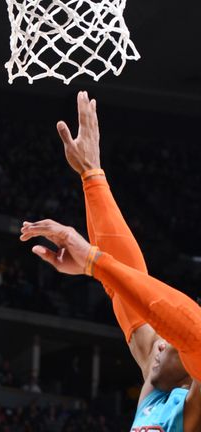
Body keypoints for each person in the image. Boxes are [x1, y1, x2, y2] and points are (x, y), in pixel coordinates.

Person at [20, 92, 200, 432]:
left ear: (192, 371)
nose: (160, 341)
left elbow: (194, 333)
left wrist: (94, 262)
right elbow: (128, 289)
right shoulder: (158, 395)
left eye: (169, 340)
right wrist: (92, 178)